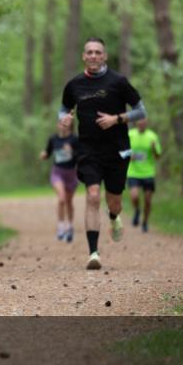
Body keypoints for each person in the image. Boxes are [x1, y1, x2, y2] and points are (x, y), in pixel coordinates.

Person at [59, 37, 146, 270]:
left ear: (105, 56)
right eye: (90, 52)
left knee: (113, 201)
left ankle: (114, 217)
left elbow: (140, 111)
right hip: (88, 150)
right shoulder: (74, 85)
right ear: (83, 56)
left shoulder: (119, 81)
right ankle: (93, 253)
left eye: (98, 52)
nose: (94, 56)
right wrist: (64, 120)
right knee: (93, 195)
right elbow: (64, 110)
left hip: (118, 150)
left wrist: (117, 119)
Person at [40, 121, 79, 242]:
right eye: (60, 123)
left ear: (70, 126)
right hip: (57, 173)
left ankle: (69, 226)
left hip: (71, 174)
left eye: (65, 123)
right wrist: (44, 155)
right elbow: (48, 153)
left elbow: (81, 156)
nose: (62, 125)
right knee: (61, 198)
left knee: (68, 201)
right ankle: (61, 227)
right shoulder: (53, 139)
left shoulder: (74, 139)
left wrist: (72, 151)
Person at [127, 118, 162, 232]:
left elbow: (158, 156)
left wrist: (153, 149)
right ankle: (137, 210)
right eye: (139, 121)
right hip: (133, 172)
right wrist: (129, 155)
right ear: (136, 122)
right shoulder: (130, 134)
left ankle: (145, 222)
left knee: (147, 201)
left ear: (146, 122)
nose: (141, 123)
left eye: (143, 121)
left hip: (148, 173)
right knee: (134, 196)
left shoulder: (152, 136)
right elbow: (122, 150)